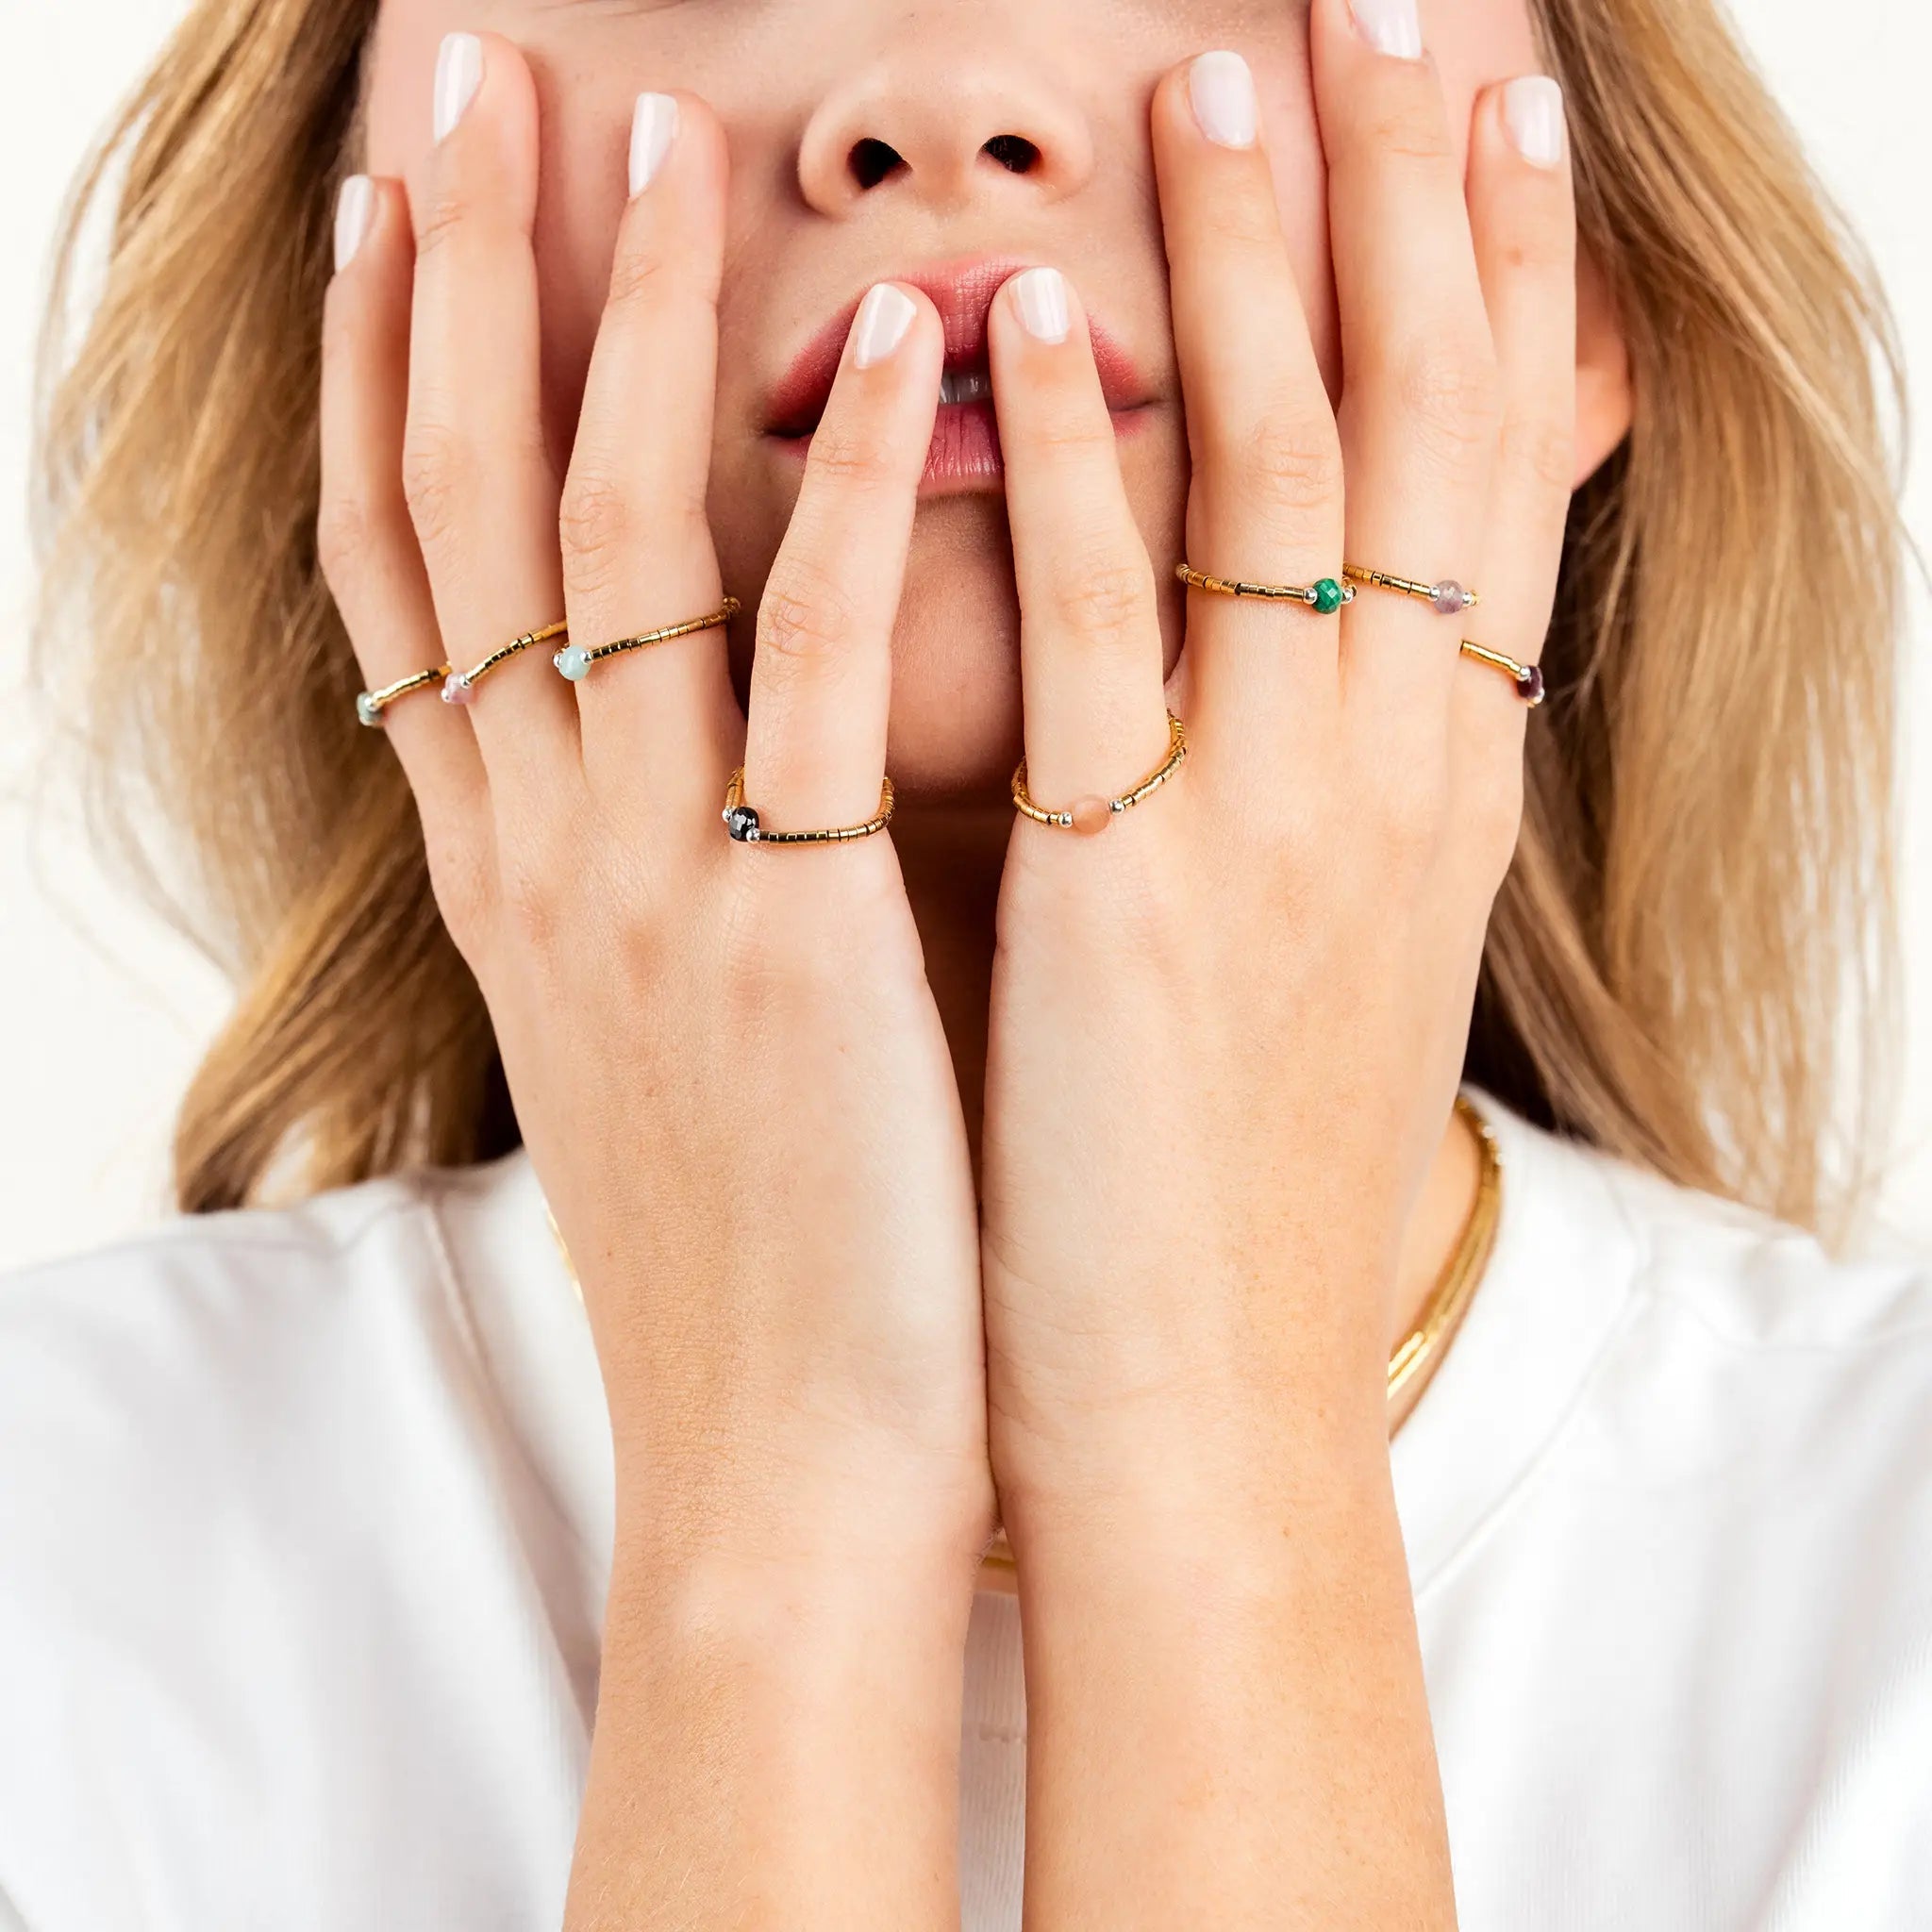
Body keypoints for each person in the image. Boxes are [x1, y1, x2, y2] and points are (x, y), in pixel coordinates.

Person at [5, 0, 1923, 1924]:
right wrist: (780, 1521)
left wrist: (1213, 1463)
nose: (933, 100)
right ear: (355, 246)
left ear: (1575, 279)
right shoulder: (59, 1552)